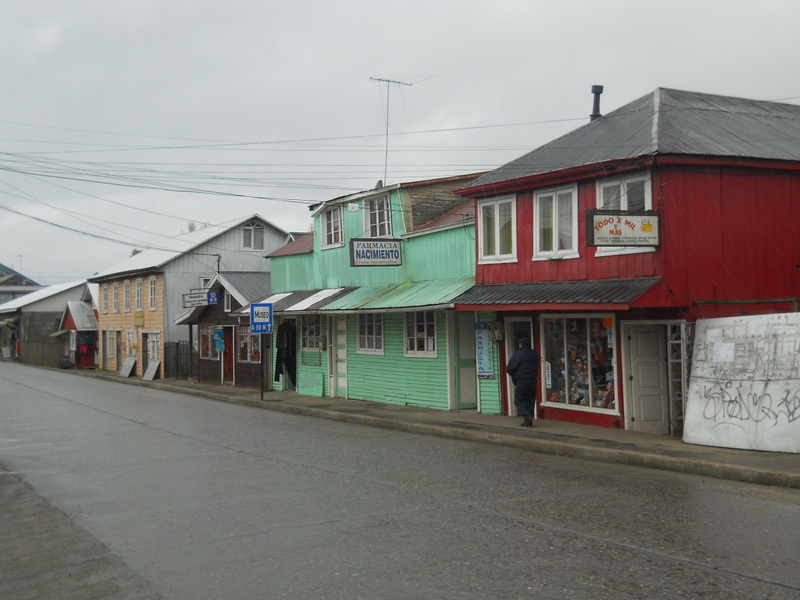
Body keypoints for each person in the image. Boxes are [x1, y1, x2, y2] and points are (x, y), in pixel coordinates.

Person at [506, 337, 539, 427]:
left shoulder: (518, 354)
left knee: (518, 400)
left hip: (522, 380)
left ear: (521, 345)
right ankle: (528, 420)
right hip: (533, 380)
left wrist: (514, 376)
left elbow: (510, 368)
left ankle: (527, 416)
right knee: (530, 400)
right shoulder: (534, 353)